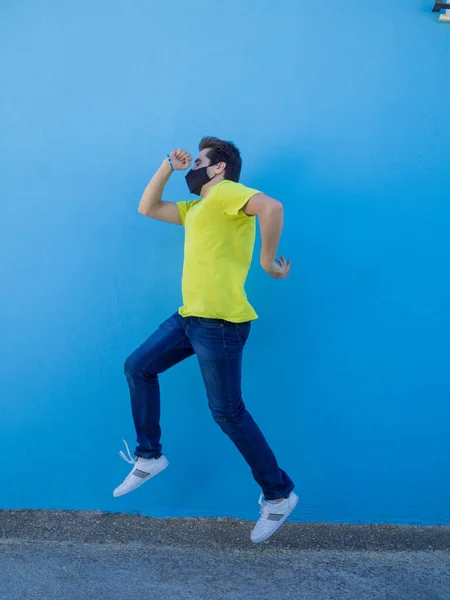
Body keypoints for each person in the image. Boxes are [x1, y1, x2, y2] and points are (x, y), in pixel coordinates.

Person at [114, 137, 297, 543]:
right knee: (138, 366)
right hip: (190, 317)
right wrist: (168, 165)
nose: (192, 166)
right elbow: (146, 207)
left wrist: (266, 260)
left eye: (199, 161)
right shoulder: (197, 208)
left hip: (220, 324)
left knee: (228, 414)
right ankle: (150, 456)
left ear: (218, 169)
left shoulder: (227, 193)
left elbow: (272, 207)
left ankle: (279, 494)